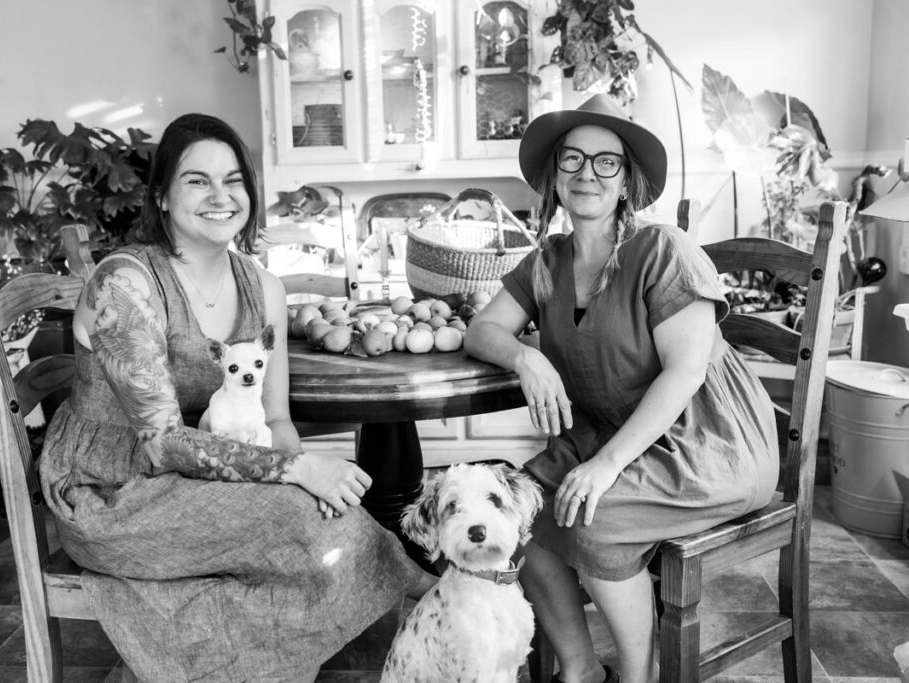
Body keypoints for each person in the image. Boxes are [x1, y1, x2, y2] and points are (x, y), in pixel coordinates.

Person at [39, 113, 433, 683]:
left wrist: (303, 478)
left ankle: (216, 667)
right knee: (318, 530)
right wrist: (298, 469)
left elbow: (274, 418)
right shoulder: (124, 283)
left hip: (200, 477)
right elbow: (162, 444)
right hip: (112, 489)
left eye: (234, 180)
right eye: (197, 180)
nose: (221, 196)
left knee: (320, 523)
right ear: (163, 197)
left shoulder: (261, 285)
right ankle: (417, 586)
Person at [463, 94, 779, 683]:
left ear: (627, 179)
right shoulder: (546, 262)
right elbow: (482, 330)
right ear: (553, 175)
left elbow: (685, 373)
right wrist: (526, 359)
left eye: (606, 161)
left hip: (705, 439)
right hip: (610, 433)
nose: (587, 173)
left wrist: (606, 466)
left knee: (595, 517)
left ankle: (639, 675)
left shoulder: (661, 249)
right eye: (573, 158)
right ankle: (581, 671)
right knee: (517, 506)